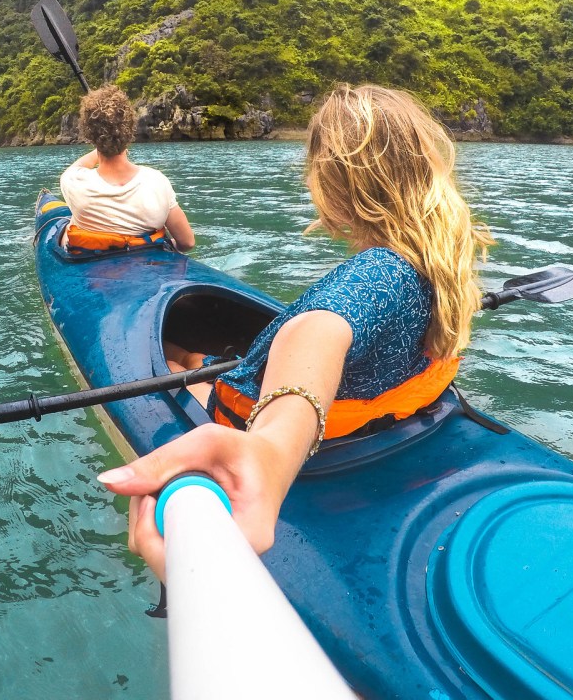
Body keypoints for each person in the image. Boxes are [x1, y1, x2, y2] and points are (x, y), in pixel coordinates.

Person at [98, 83, 492, 577]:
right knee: (191, 360)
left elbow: (318, 331)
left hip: (267, 425)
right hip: (376, 423)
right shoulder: (440, 260)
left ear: (334, 181)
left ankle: (194, 369)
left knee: (178, 362)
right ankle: (197, 367)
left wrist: (269, 453)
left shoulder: (376, 274)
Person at [59, 85, 196, 253]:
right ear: (130, 130)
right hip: (150, 265)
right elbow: (187, 242)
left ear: (89, 136)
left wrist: (103, 145)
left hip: (92, 266)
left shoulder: (73, 181)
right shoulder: (156, 181)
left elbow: (78, 166)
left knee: (66, 230)